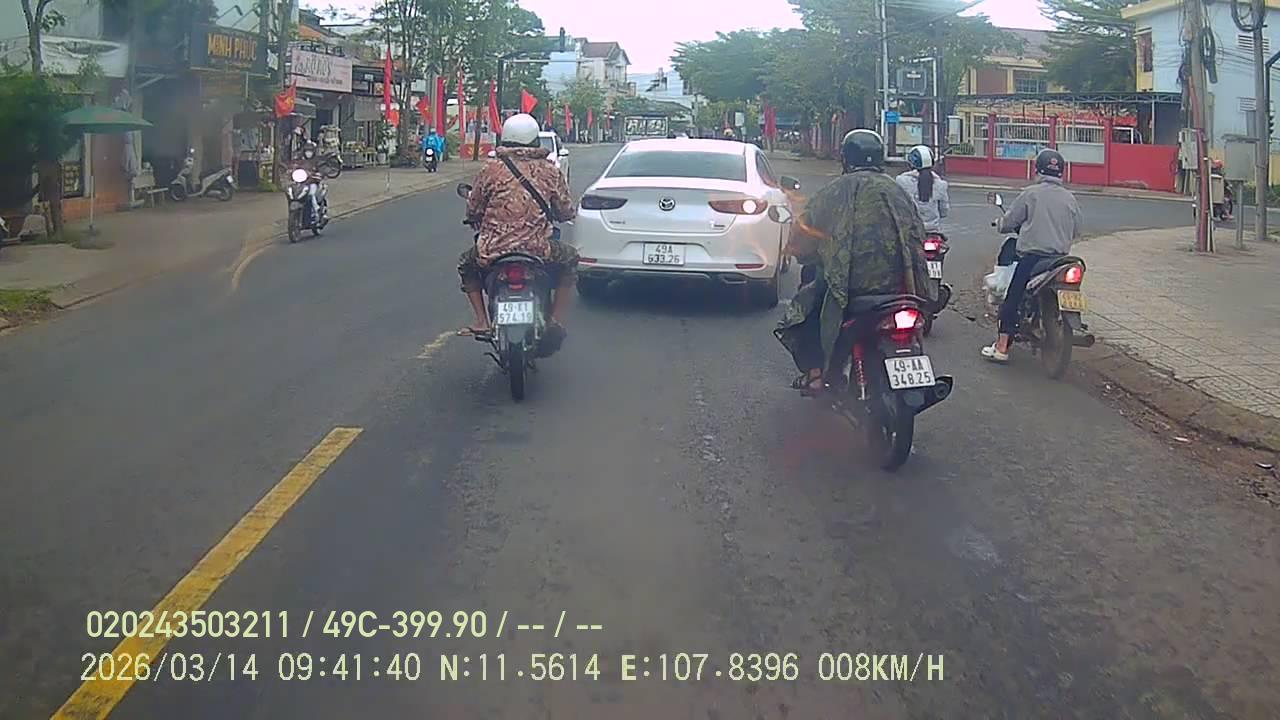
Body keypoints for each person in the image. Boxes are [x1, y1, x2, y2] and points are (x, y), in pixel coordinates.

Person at [775, 129, 935, 392]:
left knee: (807, 308)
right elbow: (917, 232)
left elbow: (804, 232)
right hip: (902, 285)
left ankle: (816, 375)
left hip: (851, 286)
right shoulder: (897, 190)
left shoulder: (834, 191)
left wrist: (800, 251)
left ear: (846, 159)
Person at [458, 113, 579, 346]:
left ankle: (481, 320)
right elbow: (565, 210)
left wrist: (474, 218)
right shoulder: (551, 170)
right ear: (535, 140)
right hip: (538, 249)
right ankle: (555, 320)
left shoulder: (490, 169)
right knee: (570, 260)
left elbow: (474, 207)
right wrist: (562, 215)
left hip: (493, 249)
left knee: (466, 264)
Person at [981, 148, 1082, 364]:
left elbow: (1010, 222)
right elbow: (1077, 230)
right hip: (1060, 260)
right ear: (1061, 172)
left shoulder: (1030, 194)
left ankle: (1002, 347)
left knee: (1012, 298)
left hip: (1033, 259)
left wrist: (1000, 224)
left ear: (1038, 170)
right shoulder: (1070, 198)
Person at [895, 145, 950, 233]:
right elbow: (944, 211)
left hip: (910, 230)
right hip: (933, 230)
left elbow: (897, 206)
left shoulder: (901, 180)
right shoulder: (941, 184)